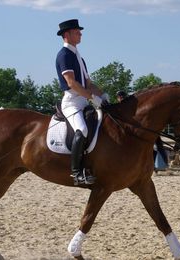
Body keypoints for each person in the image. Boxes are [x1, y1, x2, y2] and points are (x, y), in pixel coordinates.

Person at [56, 19, 106, 185]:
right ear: (67, 34)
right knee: (82, 129)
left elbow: (89, 84)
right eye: (77, 31)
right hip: (71, 102)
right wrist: (92, 98)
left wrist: (103, 95)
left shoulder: (79, 57)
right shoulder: (64, 55)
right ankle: (76, 173)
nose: (80, 34)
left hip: (83, 101)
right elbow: (72, 83)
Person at [116, 89, 168, 171]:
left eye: (121, 97)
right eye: (120, 97)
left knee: (153, 148)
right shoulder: (123, 106)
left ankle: (155, 164)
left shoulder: (127, 106)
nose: (121, 98)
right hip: (135, 129)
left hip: (137, 129)